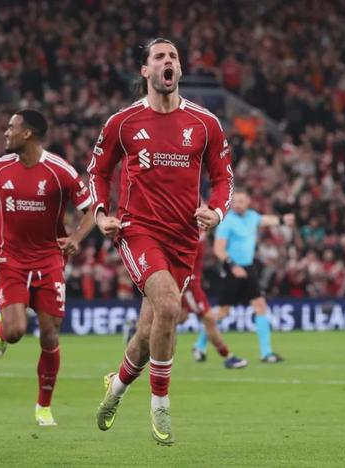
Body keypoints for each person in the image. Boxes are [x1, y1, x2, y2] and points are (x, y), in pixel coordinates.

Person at [88, 38, 233, 445]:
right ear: (145, 70)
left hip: (184, 238)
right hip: (138, 230)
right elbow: (98, 171)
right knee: (170, 305)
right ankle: (161, 406)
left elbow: (223, 178)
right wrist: (101, 214)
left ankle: (115, 388)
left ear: (179, 70)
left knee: (148, 331)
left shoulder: (205, 124)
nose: (167, 62)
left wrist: (216, 212)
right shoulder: (123, 123)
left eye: (173, 57)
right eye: (159, 57)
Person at [0, 109, 95, 427]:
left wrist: (76, 238)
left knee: (50, 335)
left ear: (27, 134)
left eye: (11, 128)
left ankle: (43, 407)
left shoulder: (60, 172)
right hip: (11, 259)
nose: (6, 133)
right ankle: (1, 331)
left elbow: (92, 210)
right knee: (15, 332)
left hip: (49, 260)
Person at [207, 188, 294, 363]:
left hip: (248, 268)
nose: (237, 205)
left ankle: (266, 353)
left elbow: (267, 220)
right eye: (235, 202)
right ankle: (200, 345)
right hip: (231, 269)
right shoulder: (226, 221)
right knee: (223, 312)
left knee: (260, 306)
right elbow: (218, 249)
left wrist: (283, 220)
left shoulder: (252, 217)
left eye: (241, 201)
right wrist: (232, 265)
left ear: (248, 202)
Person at [182, 233, 247, 369]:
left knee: (179, 317)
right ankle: (228, 357)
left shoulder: (201, 231)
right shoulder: (192, 231)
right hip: (190, 283)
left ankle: (141, 335)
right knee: (209, 319)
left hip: (192, 281)